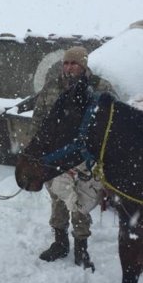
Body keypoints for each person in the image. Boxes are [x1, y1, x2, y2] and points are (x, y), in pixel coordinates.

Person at [31, 46, 115, 270]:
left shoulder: (100, 88)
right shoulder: (52, 87)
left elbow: (112, 122)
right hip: (56, 156)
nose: (69, 68)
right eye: (66, 63)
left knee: (80, 202)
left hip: (85, 158)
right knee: (58, 199)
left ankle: (81, 248)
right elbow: (38, 119)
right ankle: (60, 243)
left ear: (84, 65)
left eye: (74, 63)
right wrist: (39, 151)